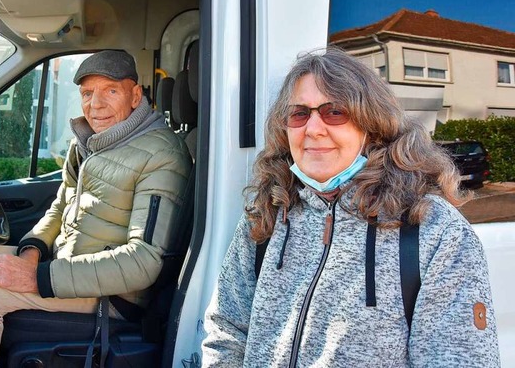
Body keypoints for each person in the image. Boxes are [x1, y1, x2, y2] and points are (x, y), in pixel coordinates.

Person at [201, 46, 500, 367]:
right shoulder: (268, 214)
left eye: (335, 112)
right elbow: (228, 331)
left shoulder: (432, 228)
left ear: (371, 125)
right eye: (299, 114)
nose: (313, 129)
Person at [0, 50, 192, 368]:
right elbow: (60, 207)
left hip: (115, 295)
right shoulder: (90, 142)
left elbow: (143, 263)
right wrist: (32, 251)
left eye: (110, 91)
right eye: (88, 93)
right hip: (65, 265)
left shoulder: (162, 154)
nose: (95, 105)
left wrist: (39, 277)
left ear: (135, 95)